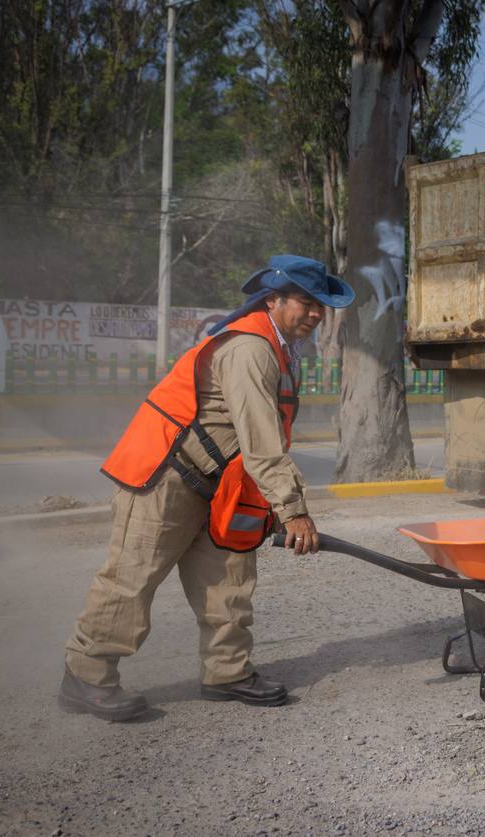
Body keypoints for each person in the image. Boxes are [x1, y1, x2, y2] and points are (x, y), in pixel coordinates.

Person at [59, 255, 354, 721]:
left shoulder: (278, 349)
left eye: (321, 304)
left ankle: (227, 672)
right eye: (306, 301)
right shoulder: (251, 348)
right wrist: (294, 510)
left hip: (216, 485)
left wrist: (277, 507)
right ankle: (86, 676)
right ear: (273, 299)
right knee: (132, 579)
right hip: (165, 478)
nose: (316, 313)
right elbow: (262, 443)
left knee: (228, 576)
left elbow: (252, 444)